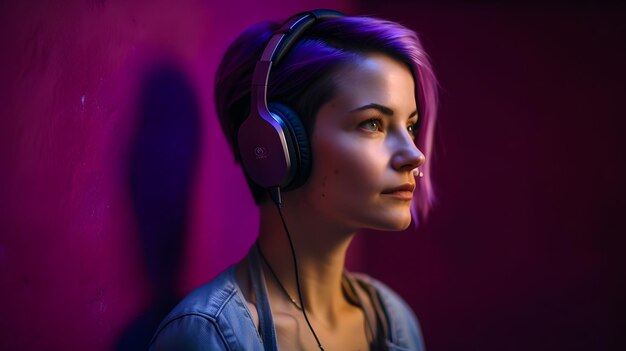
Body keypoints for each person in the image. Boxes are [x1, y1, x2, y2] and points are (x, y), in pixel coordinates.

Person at [150, 9, 438, 351]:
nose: (414, 155)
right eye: (372, 123)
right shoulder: (206, 336)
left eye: (410, 127)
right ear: (276, 145)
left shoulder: (395, 321)